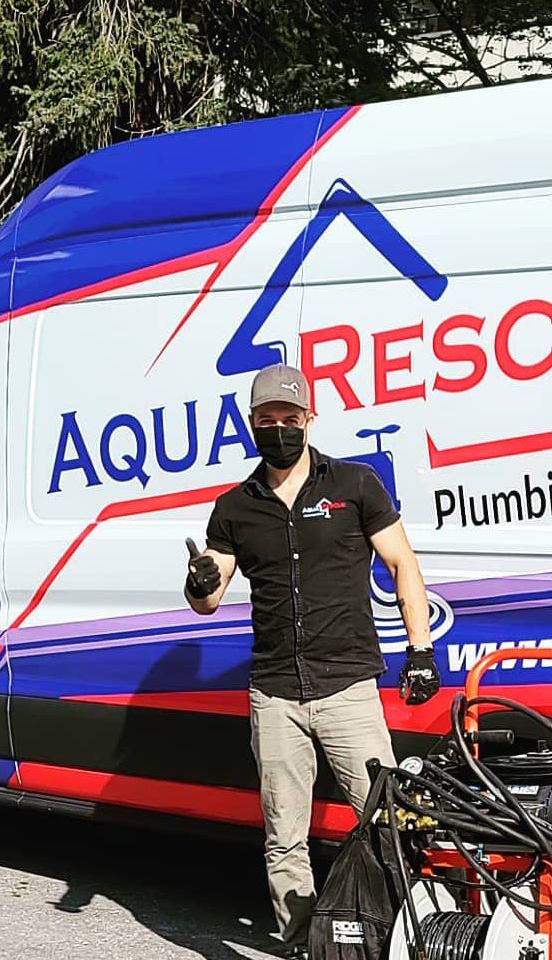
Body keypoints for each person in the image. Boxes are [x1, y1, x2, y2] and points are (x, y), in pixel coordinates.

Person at [184, 363, 441, 959]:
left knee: (387, 821)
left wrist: (420, 650)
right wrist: (197, 583)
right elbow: (208, 598)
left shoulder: (355, 484)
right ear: (251, 425)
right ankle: (300, 943)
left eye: (289, 418)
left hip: (347, 686)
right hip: (274, 694)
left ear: (308, 420)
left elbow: (404, 565)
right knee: (283, 836)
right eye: (267, 420)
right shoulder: (234, 508)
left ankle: (408, 935)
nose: (279, 428)